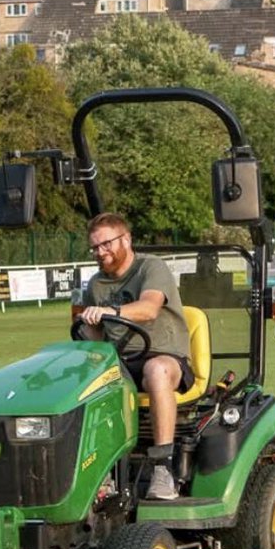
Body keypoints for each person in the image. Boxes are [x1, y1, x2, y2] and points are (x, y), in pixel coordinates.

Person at [79, 213, 193, 500]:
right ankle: (97, 473)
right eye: (95, 248)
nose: (100, 253)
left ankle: (163, 468)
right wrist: (87, 326)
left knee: (155, 371)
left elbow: (149, 309)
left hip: (165, 357)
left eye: (106, 244)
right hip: (122, 363)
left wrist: (110, 312)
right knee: (83, 381)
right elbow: (95, 337)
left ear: (126, 239)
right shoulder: (95, 285)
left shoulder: (151, 268)